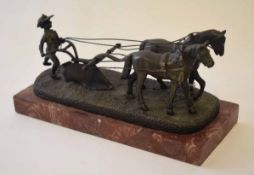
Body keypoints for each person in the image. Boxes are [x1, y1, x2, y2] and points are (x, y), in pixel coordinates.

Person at [37, 14, 65, 79]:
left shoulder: (54, 32)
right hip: (50, 51)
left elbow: (57, 40)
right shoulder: (45, 36)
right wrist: (42, 52)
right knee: (56, 63)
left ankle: (45, 61)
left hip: (54, 49)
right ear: (43, 26)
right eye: (47, 22)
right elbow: (41, 45)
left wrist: (61, 40)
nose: (50, 22)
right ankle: (53, 74)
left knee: (49, 56)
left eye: (49, 21)